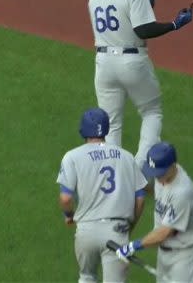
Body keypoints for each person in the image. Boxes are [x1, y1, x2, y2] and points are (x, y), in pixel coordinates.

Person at [87, 0, 193, 171]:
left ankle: (114, 172)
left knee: (111, 122)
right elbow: (144, 30)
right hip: (131, 62)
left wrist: (146, 8)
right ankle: (139, 168)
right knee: (151, 111)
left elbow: (119, 21)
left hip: (103, 64)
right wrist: (174, 24)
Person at [57, 108, 149, 283]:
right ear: (106, 129)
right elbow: (140, 198)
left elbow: (66, 198)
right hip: (117, 231)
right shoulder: (127, 157)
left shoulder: (72, 157)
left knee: (86, 277)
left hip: (86, 232)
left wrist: (69, 215)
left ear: (83, 130)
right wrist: (130, 227)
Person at [115, 142, 193, 283]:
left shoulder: (183, 192)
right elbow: (156, 189)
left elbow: (165, 232)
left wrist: (133, 246)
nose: (156, 177)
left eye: (159, 173)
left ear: (172, 166)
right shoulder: (163, 176)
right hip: (164, 253)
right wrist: (132, 181)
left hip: (185, 256)